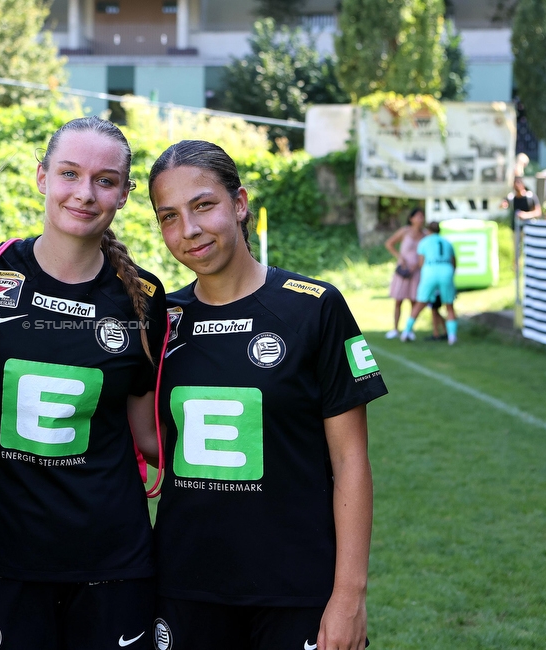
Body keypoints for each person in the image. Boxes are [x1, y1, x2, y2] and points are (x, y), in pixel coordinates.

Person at [147, 140, 388, 650]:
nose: (187, 230)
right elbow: (150, 441)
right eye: (169, 216)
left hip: (296, 589)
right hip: (186, 586)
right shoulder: (159, 320)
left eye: (203, 205)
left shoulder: (315, 308)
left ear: (239, 203)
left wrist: (348, 595)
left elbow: (351, 460)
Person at [0, 116, 166, 650]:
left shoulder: (144, 300)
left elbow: (149, 436)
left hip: (113, 559)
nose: (84, 194)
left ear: (125, 194)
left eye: (105, 180)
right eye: (69, 173)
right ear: (42, 176)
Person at [400, 220, 458, 345]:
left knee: (420, 303)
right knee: (449, 305)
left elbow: (421, 262)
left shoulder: (424, 242)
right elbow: (454, 262)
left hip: (430, 272)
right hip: (446, 271)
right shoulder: (447, 242)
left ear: (429, 231)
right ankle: (452, 337)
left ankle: (406, 331)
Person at [383, 207, 427, 339]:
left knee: (414, 301)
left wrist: (418, 264)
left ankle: (409, 329)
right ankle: (395, 328)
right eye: (418, 216)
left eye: (422, 216)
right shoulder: (404, 231)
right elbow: (389, 244)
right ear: (411, 218)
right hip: (403, 270)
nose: (420, 219)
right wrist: (400, 257)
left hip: (416, 271)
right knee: (399, 300)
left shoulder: (425, 235)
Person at [501, 177, 542, 270]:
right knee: (516, 251)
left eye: (518, 183)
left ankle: (531, 268)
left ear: (523, 184)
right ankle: (516, 271)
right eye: (515, 183)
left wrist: (525, 215)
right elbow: (503, 203)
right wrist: (503, 204)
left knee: (530, 250)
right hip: (516, 229)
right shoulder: (511, 197)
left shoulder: (530, 197)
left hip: (528, 228)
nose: (517, 185)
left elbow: (538, 212)